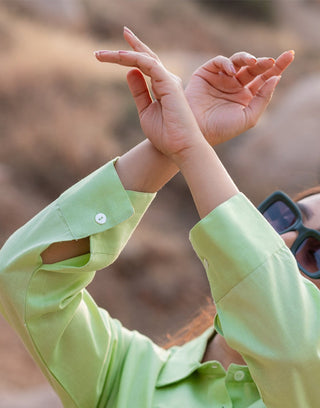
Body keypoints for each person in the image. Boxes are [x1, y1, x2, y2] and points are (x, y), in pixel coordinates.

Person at [1, 27, 317, 408]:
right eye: (284, 217)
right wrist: (171, 145)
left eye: (316, 253)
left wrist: (193, 151)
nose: (282, 241)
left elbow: (298, 350)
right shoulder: (126, 376)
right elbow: (29, 277)